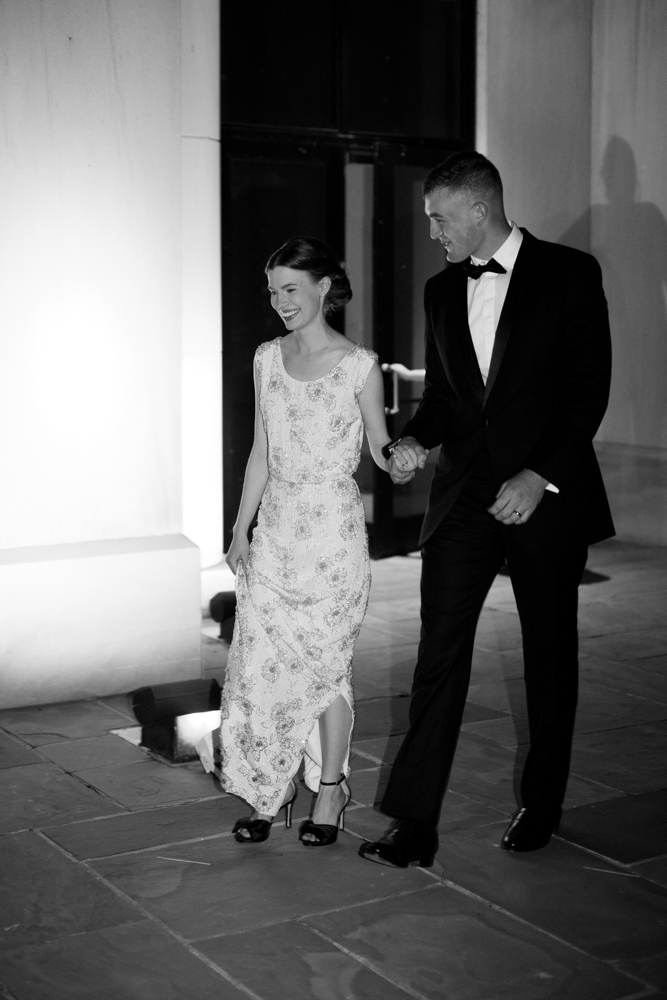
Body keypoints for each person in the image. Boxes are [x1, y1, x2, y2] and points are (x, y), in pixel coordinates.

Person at [359, 151, 614, 869]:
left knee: (547, 656)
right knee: (437, 652)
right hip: (464, 498)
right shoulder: (442, 292)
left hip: (543, 498)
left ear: (479, 207)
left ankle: (542, 803)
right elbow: (446, 397)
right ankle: (413, 822)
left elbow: (585, 391)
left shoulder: (570, 273)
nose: (433, 231)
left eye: (440, 217)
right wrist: (412, 441)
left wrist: (539, 476)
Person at [220, 236, 398, 847]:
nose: (279, 302)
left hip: (332, 535)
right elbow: (261, 453)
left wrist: (399, 459)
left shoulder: (360, 367)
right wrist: (241, 527)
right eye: (272, 292)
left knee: (326, 666)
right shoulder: (267, 358)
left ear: (323, 288)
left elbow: (379, 446)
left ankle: (330, 789)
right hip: (276, 535)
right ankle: (270, 788)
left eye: (290, 289)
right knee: (265, 665)